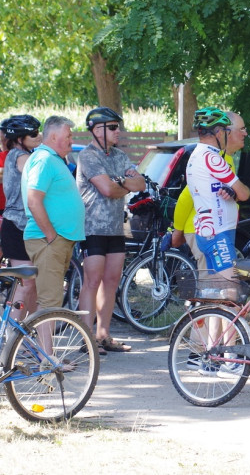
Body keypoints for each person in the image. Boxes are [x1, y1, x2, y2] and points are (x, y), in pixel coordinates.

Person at [76, 107, 146, 353]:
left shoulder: (118, 155)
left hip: (116, 228)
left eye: (119, 126)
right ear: (97, 129)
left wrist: (120, 183)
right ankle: (87, 338)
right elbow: (106, 189)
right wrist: (121, 183)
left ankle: (103, 335)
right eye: (113, 127)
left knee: (112, 281)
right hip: (92, 228)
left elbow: (140, 182)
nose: (119, 131)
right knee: (92, 280)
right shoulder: (87, 156)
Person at [22, 116, 85, 314]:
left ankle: (37, 346)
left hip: (56, 239)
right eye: (68, 135)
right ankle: (45, 347)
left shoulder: (53, 160)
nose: (71, 140)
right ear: (53, 136)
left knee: (50, 301)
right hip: (49, 240)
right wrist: (51, 235)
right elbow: (33, 200)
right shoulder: (44, 160)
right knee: (50, 304)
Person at [173, 112, 247, 268]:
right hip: (208, 230)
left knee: (217, 284)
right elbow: (186, 197)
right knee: (215, 284)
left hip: (217, 228)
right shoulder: (214, 158)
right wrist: (177, 231)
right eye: (241, 129)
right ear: (225, 132)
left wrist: (233, 194)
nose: (245, 133)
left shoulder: (225, 158)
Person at [0, 115, 41, 316]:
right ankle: (12, 334)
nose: (38, 136)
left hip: (27, 225)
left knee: (31, 285)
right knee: (25, 284)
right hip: (17, 226)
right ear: (18, 138)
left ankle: (28, 332)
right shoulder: (20, 157)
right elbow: (40, 179)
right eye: (33, 134)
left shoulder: (26, 154)